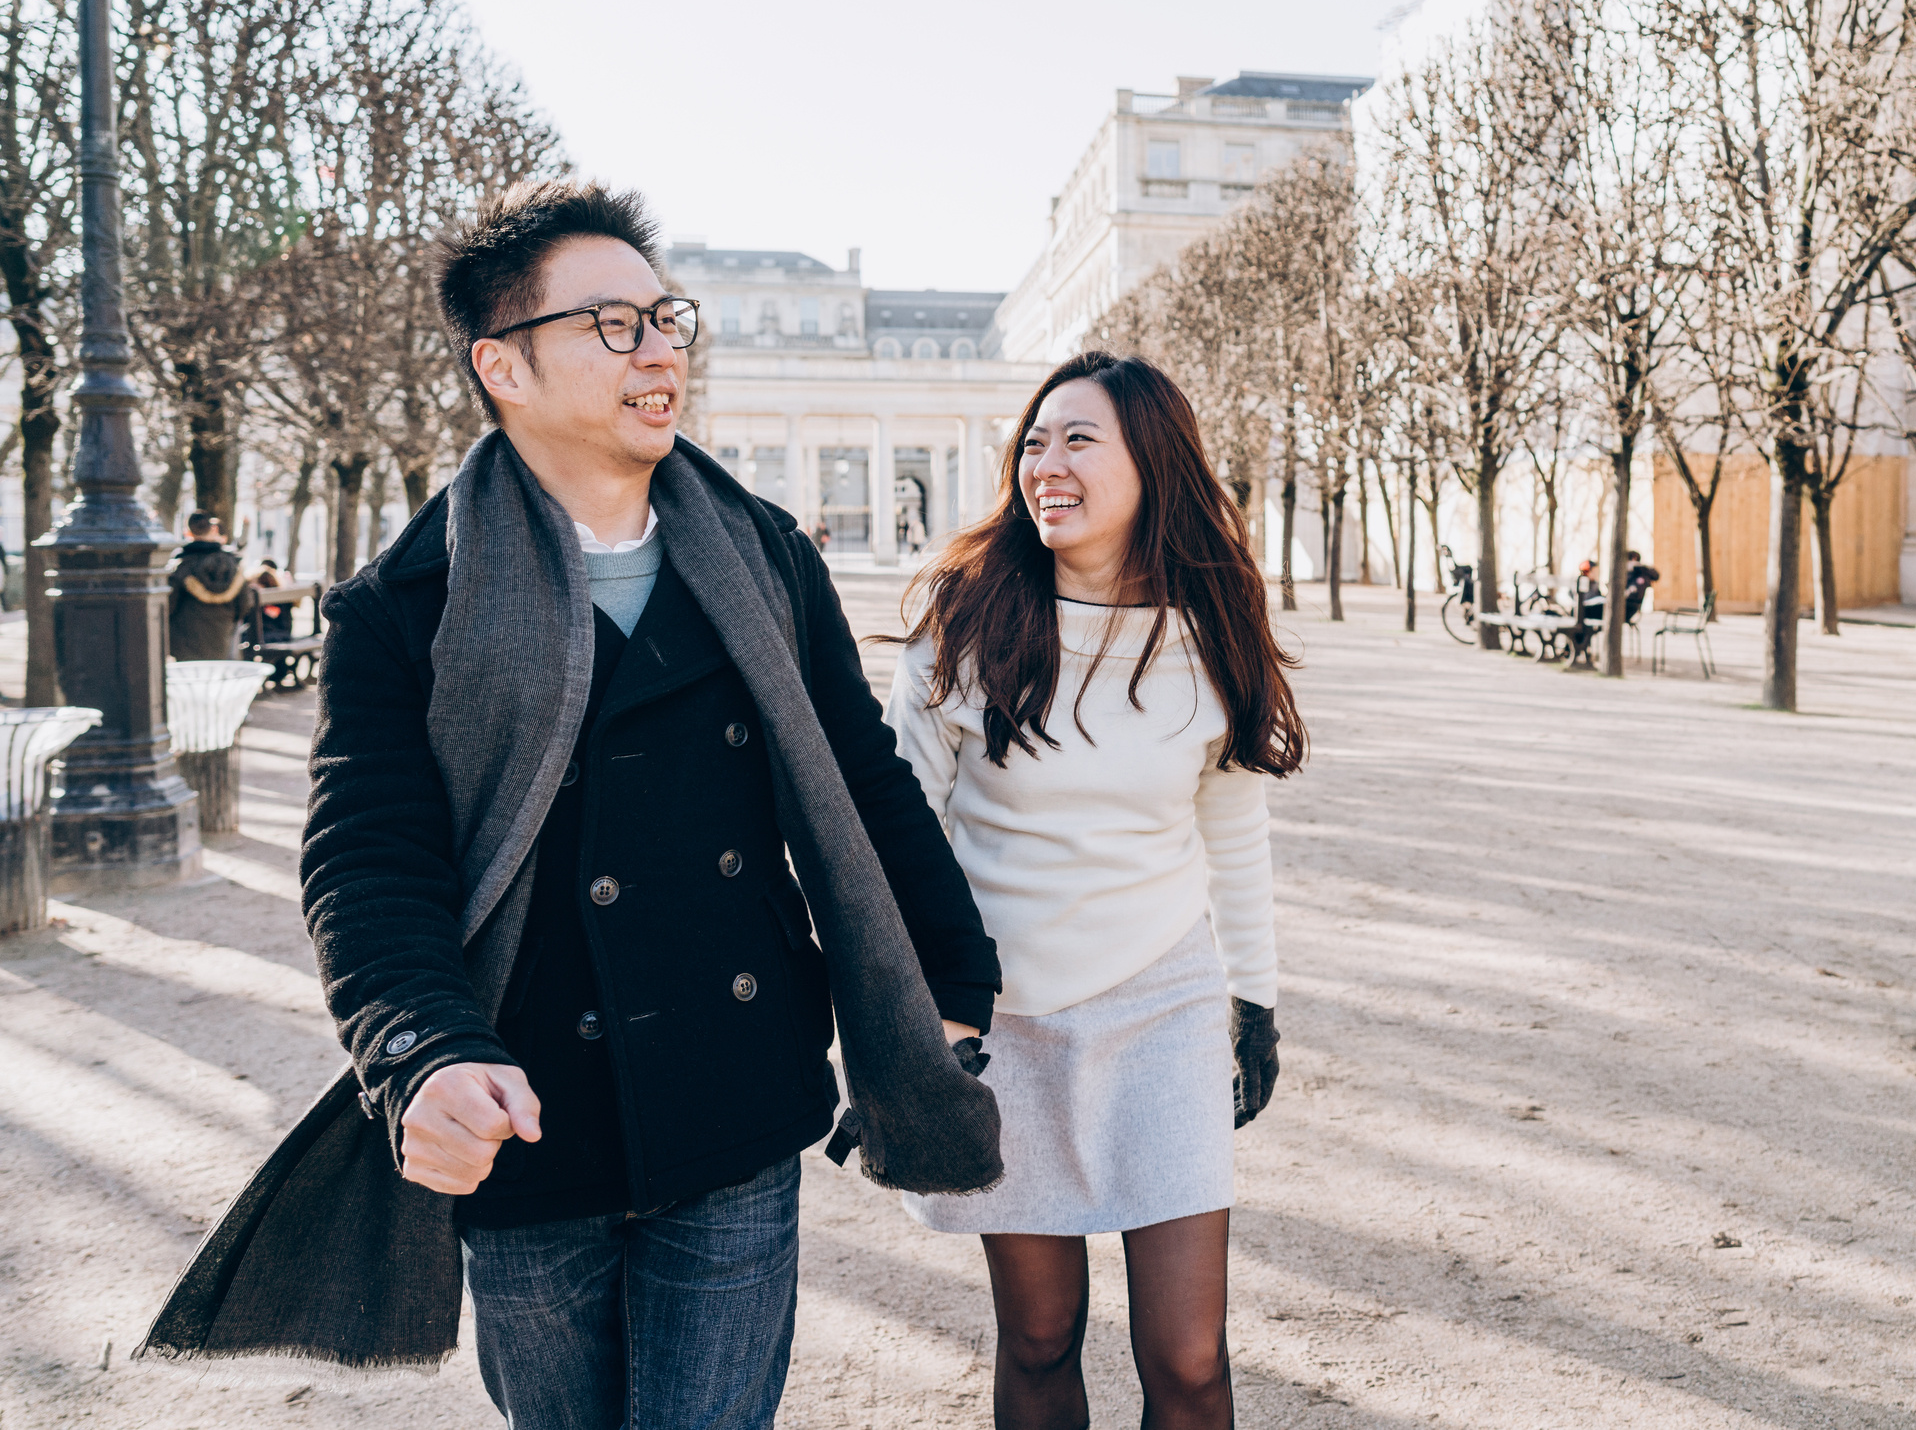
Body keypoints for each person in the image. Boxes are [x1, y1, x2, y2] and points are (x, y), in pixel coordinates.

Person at [137, 180, 1004, 1424]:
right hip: (533, 1116)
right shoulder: (408, 599)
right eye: (613, 326)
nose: (661, 351)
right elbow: (370, 857)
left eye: (667, 319)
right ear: (504, 365)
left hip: (734, 1094)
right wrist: (421, 1051)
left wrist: (951, 989)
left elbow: (863, 784)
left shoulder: (765, 553)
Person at [887, 350, 1303, 1430]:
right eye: (1033, 441)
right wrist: (907, 1022)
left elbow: (1235, 823)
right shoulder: (964, 621)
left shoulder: (1208, 631)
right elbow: (899, 833)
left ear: (1150, 465)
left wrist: (1252, 1005)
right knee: (1036, 1338)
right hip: (1003, 1022)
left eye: (1078, 439)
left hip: (1161, 1006)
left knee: (1189, 1359)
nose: (1046, 462)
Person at [167, 511, 255, 660]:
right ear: (213, 529)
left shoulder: (181, 566)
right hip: (224, 637)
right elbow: (245, 603)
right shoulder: (233, 564)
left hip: (185, 640)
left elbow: (169, 604)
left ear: (188, 532)